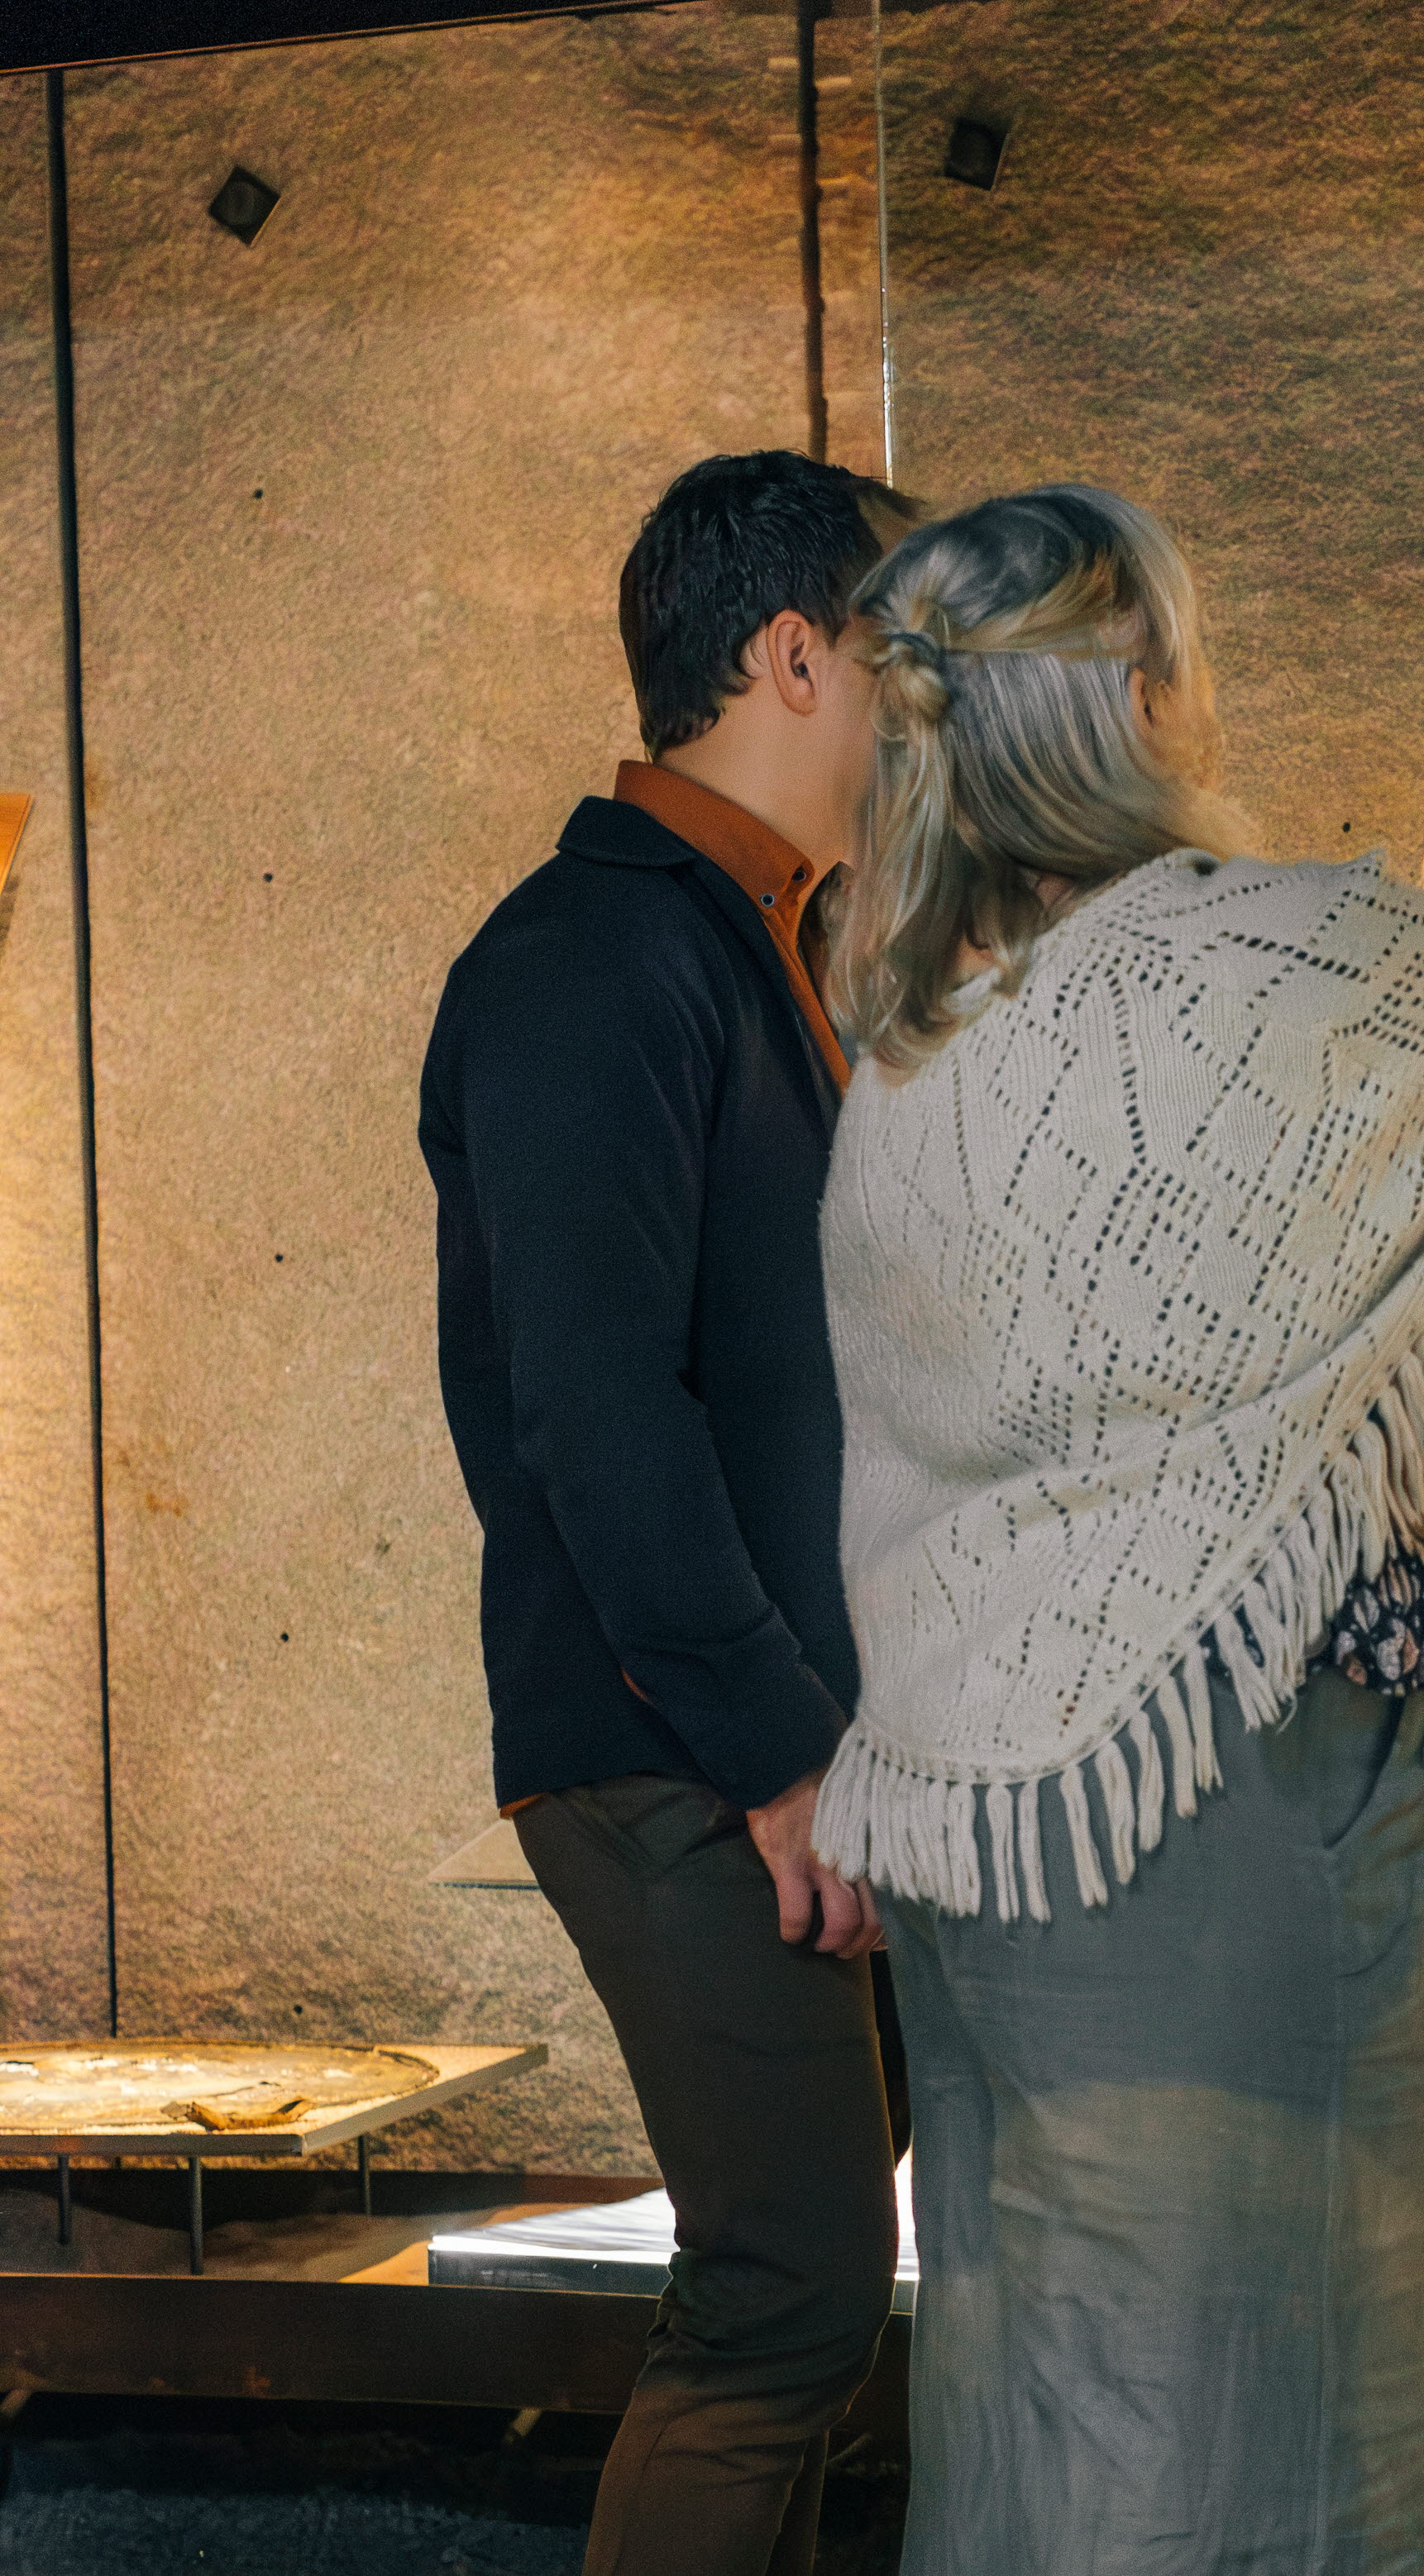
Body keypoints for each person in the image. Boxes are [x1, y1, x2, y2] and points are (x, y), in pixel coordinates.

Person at [807, 484, 1424, 2576]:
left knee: (1047, 2379)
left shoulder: (915, 1030)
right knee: (1270, 2408)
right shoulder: (1237, 959)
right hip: (1229, 1784)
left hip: (995, 1812)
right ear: (1133, 695)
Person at [420, 450, 920, 2576]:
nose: (934, 715)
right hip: (678, 1747)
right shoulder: (592, 956)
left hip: (750, 1738)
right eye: (909, 659)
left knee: (804, 2303)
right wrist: (778, 1756)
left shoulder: (748, 942)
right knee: (786, 2296)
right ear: (795, 652)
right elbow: (593, 1410)